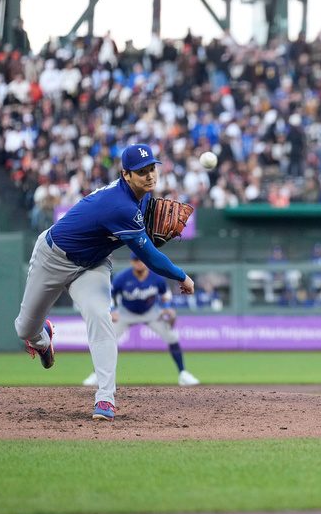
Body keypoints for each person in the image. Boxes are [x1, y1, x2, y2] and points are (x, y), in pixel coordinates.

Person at [14, 144, 196, 421]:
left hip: (93, 265)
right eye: (141, 172)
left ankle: (106, 399)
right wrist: (183, 277)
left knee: (100, 317)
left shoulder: (142, 198)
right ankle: (42, 340)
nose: (150, 177)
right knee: (25, 329)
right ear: (126, 175)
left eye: (152, 169)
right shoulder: (119, 205)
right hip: (52, 259)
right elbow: (149, 257)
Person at [81, 254, 200, 388]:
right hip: (126, 312)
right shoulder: (122, 277)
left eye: (142, 259)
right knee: (107, 339)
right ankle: (97, 375)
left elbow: (165, 293)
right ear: (132, 262)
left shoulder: (156, 277)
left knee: (172, 338)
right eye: (136, 260)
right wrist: (112, 310)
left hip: (151, 312)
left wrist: (167, 308)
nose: (139, 262)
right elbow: (111, 293)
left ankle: (183, 374)